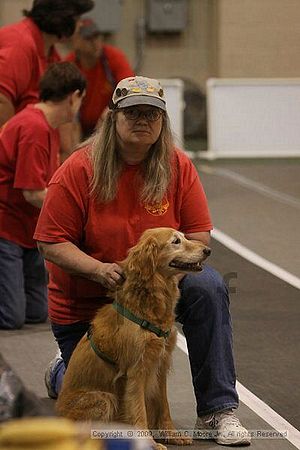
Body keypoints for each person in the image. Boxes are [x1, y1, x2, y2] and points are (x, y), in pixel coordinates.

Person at [34, 76, 251, 446]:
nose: (143, 121)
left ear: (163, 123)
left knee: (210, 286)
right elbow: (51, 242)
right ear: (112, 118)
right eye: (132, 112)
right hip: (87, 305)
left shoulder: (178, 166)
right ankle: (63, 369)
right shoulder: (78, 168)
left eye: (152, 115)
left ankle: (217, 410)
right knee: (100, 394)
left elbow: (198, 239)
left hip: (151, 292)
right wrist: (98, 269)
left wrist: (159, 278)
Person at [0, 62, 86, 330]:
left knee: (37, 312)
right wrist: (77, 208)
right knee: (12, 317)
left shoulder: (45, 126)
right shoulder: (34, 129)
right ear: (74, 96)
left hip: (26, 230)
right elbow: (34, 193)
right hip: (7, 228)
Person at [0, 0, 94, 128]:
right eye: (77, 18)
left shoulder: (51, 54)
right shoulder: (20, 44)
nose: (80, 24)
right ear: (63, 17)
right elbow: (1, 100)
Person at [66, 18, 134, 138]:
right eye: (88, 38)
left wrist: (109, 112)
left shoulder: (113, 57)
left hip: (109, 124)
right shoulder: (69, 64)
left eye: (97, 36)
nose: (95, 42)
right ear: (76, 42)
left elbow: (130, 88)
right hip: (79, 124)